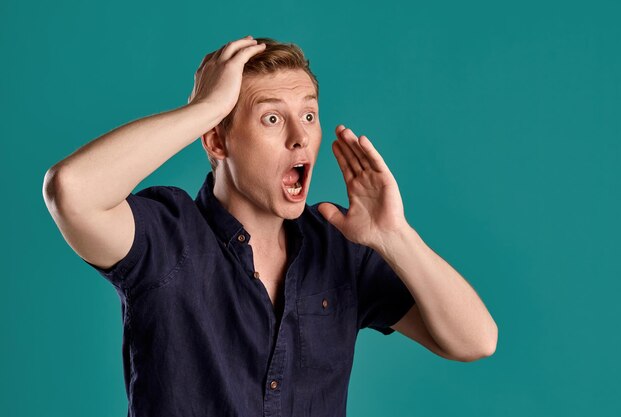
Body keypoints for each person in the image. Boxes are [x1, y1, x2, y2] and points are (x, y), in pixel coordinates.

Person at [43, 35, 498, 417]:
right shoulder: (168, 235)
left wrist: (394, 236)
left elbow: (475, 340)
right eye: (273, 118)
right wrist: (208, 107)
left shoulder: (337, 247)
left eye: (309, 115)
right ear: (218, 139)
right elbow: (71, 190)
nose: (299, 136)